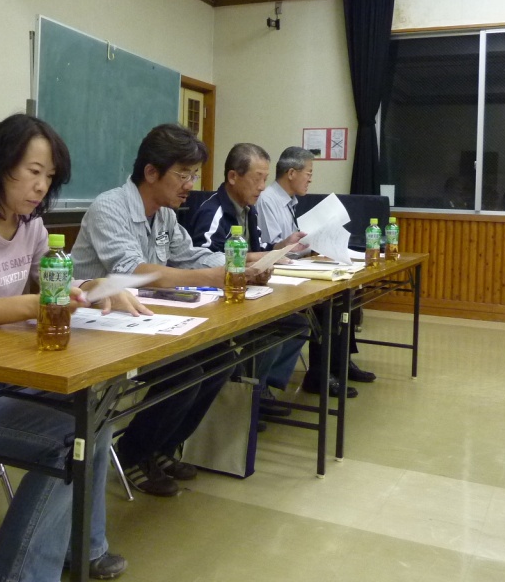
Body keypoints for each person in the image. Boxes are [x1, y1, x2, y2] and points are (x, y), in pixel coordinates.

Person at [0, 113, 144, 582]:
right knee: (70, 441)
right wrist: (32, 305)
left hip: (3, 376)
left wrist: (93, 287)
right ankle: (9, 574)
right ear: (1, 166)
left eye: (49, 176)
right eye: (33, 171)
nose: (41, 186)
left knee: (95, 416)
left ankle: (83, 548)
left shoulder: (30, 226)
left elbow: (54, 279)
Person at [72, 123, 271, 498]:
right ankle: (133, 452)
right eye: (183, 174)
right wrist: (214, 276)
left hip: (142, 322)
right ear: (151, 172)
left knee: (222, 359)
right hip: (96, 326)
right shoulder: (109, 207)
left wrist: (247, 263)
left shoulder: (164, 214)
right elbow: (135, 273)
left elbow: (192, 255)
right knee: (187, 370)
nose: (190, 185)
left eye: (193, 175)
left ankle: (162, 447)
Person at [187, 143, 309, 417]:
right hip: (217, 299)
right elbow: (203, 258)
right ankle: (244, 395)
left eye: (265, 179)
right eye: (257, 178)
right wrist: (253, 262)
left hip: (245, 293)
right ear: (233, 177)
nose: (263, 187)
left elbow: (259, 248)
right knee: (269, 334)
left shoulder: (249, 209)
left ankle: (260, 389)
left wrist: (277, 250)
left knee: (297, 323)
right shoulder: (213, 211)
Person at [256, 146, 375, 397]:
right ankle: (319, 374)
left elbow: (293, 244)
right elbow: (271, 248)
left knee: (346, 296)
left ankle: (339, 364)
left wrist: (319, 244)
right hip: (278, 273)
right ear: (291, 173)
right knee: (327, 304)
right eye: (308, 173)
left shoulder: (289, 202)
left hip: (295, 266)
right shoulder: (268, 200)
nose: (310, 179)